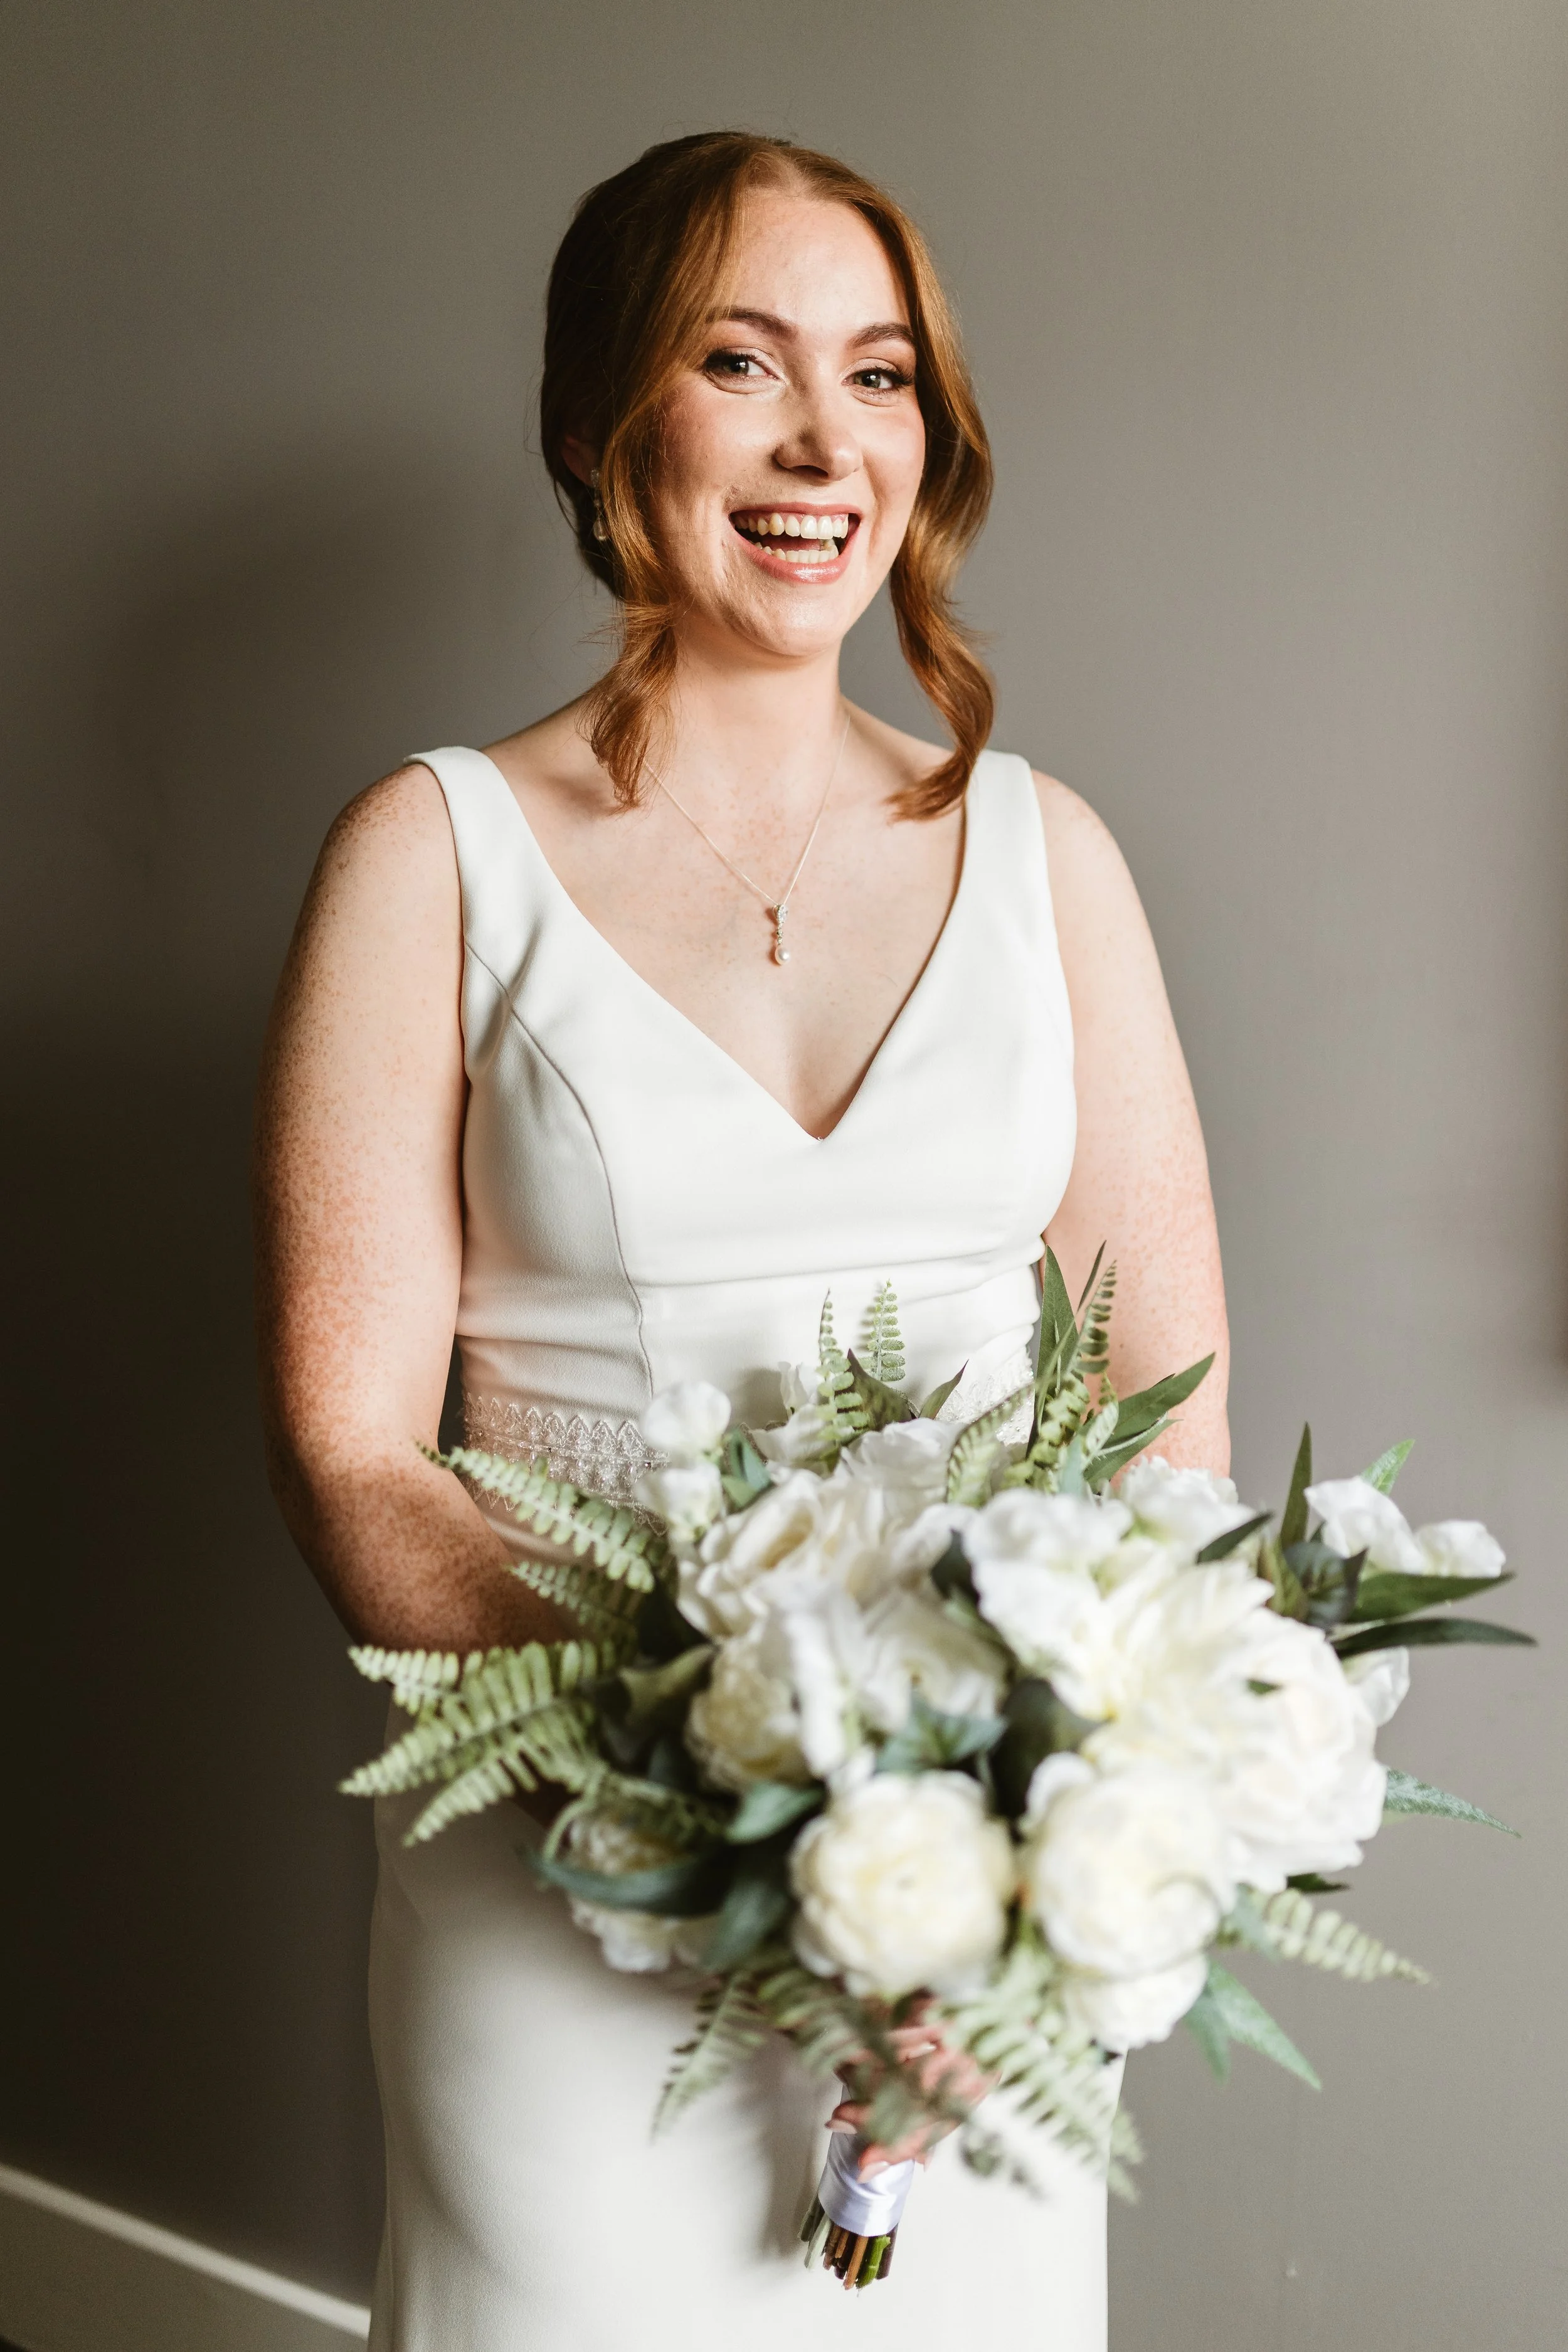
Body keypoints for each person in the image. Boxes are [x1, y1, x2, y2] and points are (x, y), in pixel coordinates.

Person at [254, 129, 1229, 2352]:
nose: (823, 445)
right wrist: (716, 1784)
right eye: (741, 361)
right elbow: (351, 1447)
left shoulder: (1043, 854)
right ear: (612, 424)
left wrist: (1031, 1842)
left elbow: (1163, 1408)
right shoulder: (431, 857)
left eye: (880, 377)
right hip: (564, 1873)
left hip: (961, 1927)